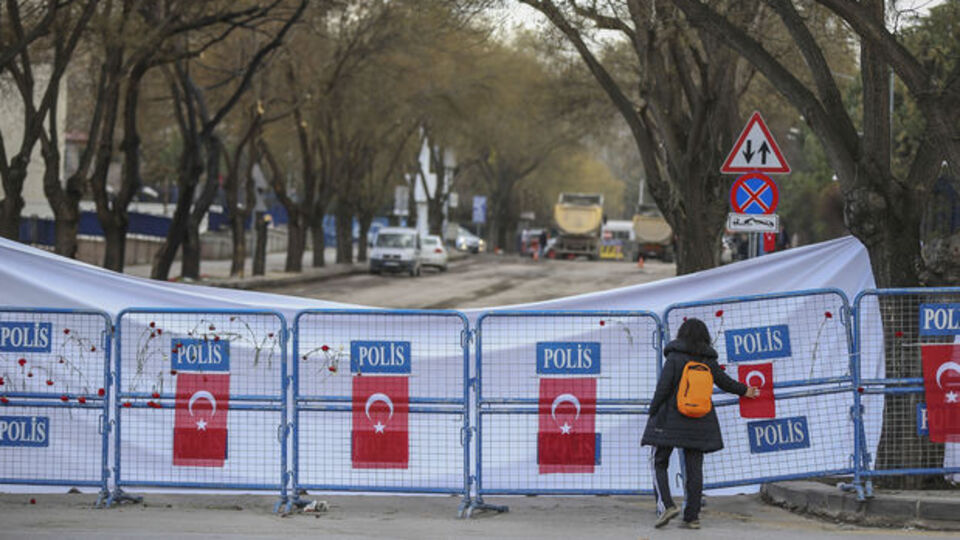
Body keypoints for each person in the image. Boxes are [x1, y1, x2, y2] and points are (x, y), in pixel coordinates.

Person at [641, 317, 759, 530]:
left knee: (659, 461)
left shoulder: (675, 358)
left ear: (682, 335)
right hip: (700, 421)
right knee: (695, 469)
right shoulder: (708, 361)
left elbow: (663, 388)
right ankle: (692, 517)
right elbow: (725, 382)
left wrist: (652, 411)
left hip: (670, 419)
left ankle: (667, 505)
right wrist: (745, 390)